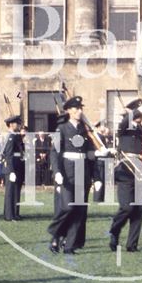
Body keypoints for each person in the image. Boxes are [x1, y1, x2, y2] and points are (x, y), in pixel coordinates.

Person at [47, 96, 102, 254]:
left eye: (80, 108)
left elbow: (89, 154)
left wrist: (97, 172)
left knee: (79, 211)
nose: (79, 111)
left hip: (83, 174)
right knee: (67, 207)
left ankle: (69, 246)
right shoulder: (62, 129)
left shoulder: (84, 130)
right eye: (76, 108)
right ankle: (55, 233)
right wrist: (57, 172)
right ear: (69, 111)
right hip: (67, 173)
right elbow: (54, 153)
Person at [108, 99, 142, 252]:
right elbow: (126, 120)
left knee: (138, 211)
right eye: (137, 112)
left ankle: (132, 244)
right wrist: (138, 111)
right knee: (126, 207)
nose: (139, 116)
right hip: (126, 172)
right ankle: (115, 230)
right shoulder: (124, 128)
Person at [2, 115, 25, 221]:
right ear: (11, 124)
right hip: (12, 167)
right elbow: (9, 155)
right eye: (16, 123)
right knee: (10, 192)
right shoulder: (10, 137)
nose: (18, 125)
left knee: (16, 191)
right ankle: (9, 215)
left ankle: (15, 213)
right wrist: (11, 170)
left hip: (18, 165)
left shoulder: (16, 136)